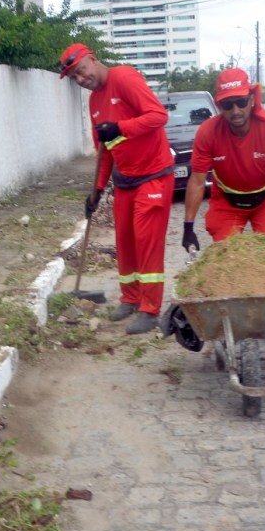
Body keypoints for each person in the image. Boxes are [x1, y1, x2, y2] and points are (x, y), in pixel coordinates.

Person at [59, 43, 174, 334]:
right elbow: (104, 150)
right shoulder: (94, 102)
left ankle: (150, 310)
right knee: (125, 243)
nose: (81, 79)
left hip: (153, 176)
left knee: (147, 243)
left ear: (93, 60)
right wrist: (96, 191)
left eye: (81, 71)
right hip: (125, 181)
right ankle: (131, 299)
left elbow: (158, 116)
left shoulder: (124, 78)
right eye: (75, 77)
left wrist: (120, 127)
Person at [182, 68, 265, 252]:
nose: (236, 110)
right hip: (227, 201)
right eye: (228, 105)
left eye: (241, 102)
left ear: (251, 100)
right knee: (226, 256)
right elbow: (197, 181)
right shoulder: (207, 133)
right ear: (219, 106)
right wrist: (188, 228)